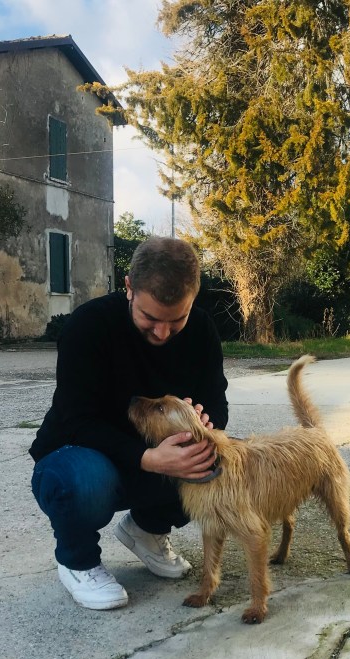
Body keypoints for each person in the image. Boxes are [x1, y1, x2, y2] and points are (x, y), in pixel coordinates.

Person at [29, 236, 228, 610]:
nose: (162, 333)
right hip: (81, 453)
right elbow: (76, 420)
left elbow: (217, 401)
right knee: (81, 481)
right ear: (129, 288)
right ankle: (77, 560)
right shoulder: (88, 326)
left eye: (177, 319)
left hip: (157, 459)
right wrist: (148, 458)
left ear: (193, 299)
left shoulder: (202, 330)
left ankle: (148, 529)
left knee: (215, 462)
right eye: (150, 318)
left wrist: (204, 421)